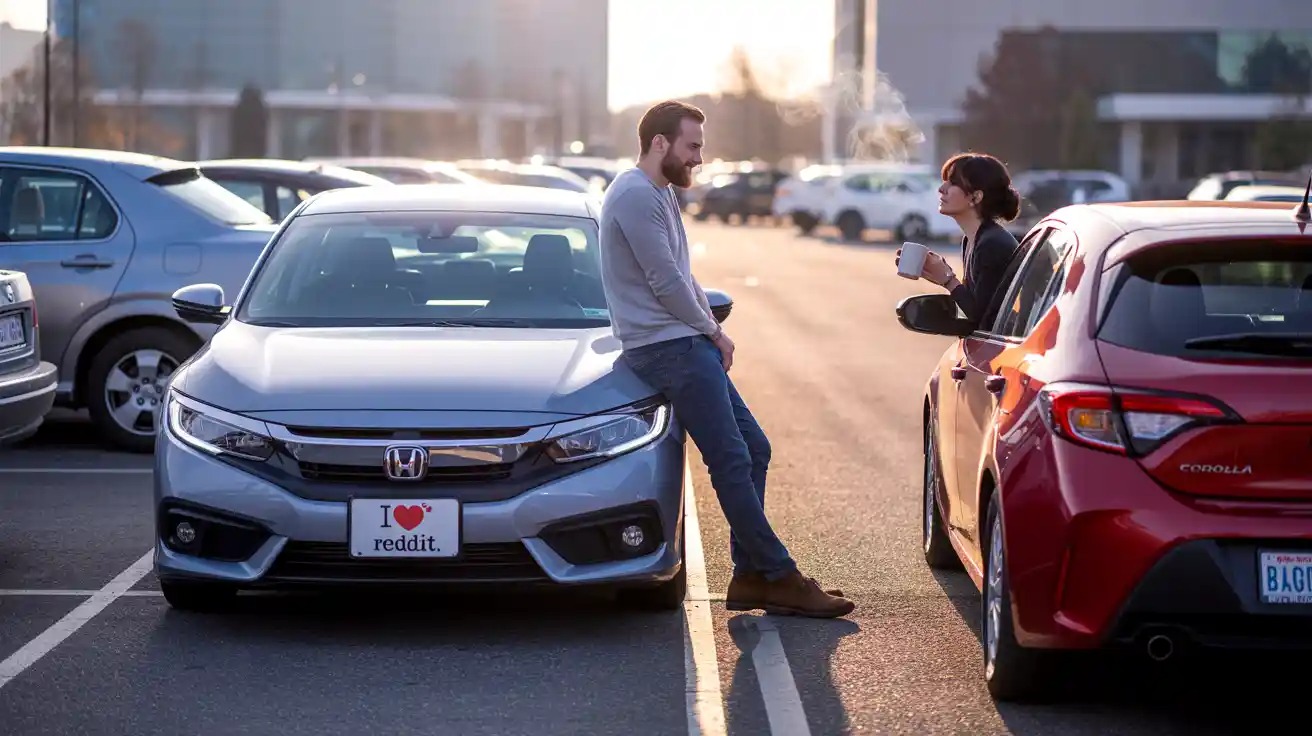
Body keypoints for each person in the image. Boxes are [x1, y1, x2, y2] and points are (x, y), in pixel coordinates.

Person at [598, 100, 854, 618]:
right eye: (692, 147)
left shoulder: (660, 193)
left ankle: (750, 576)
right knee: (732, 460)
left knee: (754, 449)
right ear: (660, 142)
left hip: (684, 343)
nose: (698, 158)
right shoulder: (632, 195)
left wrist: (711, 332)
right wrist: (712, 330)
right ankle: (780, 575)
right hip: (665, 349)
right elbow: (664, 282)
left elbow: (682, 273)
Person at [897, 152, 1022, 327]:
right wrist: (940, 275)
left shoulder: (992, 245)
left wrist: (948, 279)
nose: (941, 188)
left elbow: (981, 321)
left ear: (976, 197)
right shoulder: (973, 240)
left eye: (953, 183)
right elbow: (971, 309)